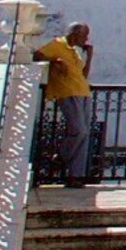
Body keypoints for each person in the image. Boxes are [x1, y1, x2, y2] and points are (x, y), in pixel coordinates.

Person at [33, 21, 98, 185]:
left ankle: (76, 176)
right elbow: (37, 56)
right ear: (75, 34)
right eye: (85, 35)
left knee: (84, 134)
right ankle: (61, 157)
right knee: (79, 131)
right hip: (67, 93)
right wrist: (54, 63)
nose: (86, 39)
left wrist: (89, 56)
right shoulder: (57, 45)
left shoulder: (75, 52)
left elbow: (83, 74)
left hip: (83, 92)